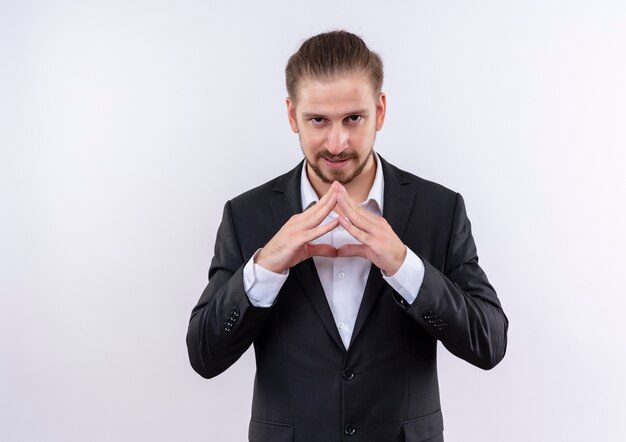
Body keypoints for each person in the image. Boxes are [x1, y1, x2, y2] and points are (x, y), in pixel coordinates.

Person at [186, 30, 508, 442]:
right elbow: (203, 356)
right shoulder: (246, 216)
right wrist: (266, 266)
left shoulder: (438, 210)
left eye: (353, 119)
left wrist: (405, 266)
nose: (336, 143)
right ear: (291, 115)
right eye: (317, 120)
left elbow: (490, 343)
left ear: (381, 110)